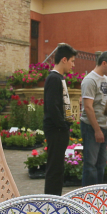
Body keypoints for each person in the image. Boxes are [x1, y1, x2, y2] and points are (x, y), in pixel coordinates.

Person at [44, 43, 78, 195]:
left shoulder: (59, 78)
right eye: (72, 61)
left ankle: (56, 196)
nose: (73, 65)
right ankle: (51, 199)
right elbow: (52, 106)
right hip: (56, 129)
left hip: (60, 129)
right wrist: (63, 125)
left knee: (58, 167)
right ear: (64, 60)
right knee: (54, 167)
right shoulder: (53, 78)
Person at [80, 51, 107, 186]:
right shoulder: (90, 80)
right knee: (90, 164)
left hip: (104, 127)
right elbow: (88, 108)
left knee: (101, 164)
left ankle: (98, 194)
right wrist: (97, 130)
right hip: (92, 128)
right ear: (104, 63)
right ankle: (87, 195)